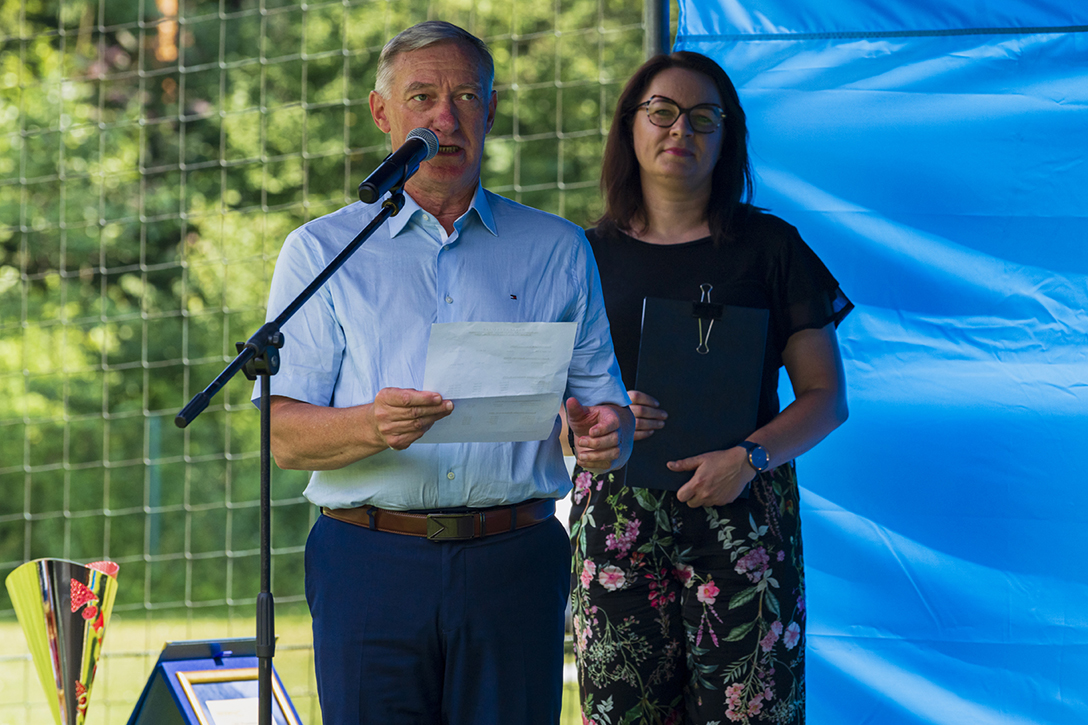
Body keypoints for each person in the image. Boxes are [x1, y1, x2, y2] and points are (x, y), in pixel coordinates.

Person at [255, 21, 634, 725]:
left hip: (515, 561)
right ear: (382, 113)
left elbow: (609, 411)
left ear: (491, 111)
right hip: (368, 559)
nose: (445, 118)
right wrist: (372, 425)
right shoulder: (321, 250)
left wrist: (607, 432)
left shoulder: (558, 248)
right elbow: (281, 435)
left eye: (465, 96)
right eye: (422, 96)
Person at [569, 51, 852, 725]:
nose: (681, 130)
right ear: (630, 126)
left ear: (728, 137)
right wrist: (595, 423)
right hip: (616, 526)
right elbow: (558, 407)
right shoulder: (581, 255)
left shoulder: (771, 247)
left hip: (744, 517)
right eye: (662, 112)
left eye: (704, 117)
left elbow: (826, 398)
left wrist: (749, 458)